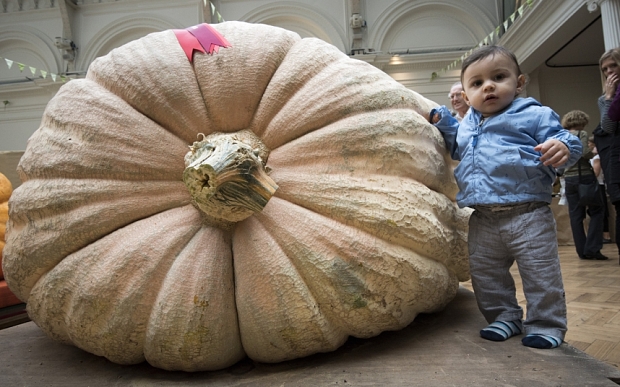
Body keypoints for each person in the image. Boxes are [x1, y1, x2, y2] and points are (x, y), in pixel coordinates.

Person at [427, 45, 582, 349]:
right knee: (486, 274)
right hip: (483, 217)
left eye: (499, 77)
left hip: (528, 213)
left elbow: (564, 139)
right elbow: (459, 149)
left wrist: (565, 146)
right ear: (468, 94)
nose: (488, 86)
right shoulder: (469, 122)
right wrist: (444, 122)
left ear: (519, 82)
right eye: (477, 83)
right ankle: (505, 316)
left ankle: (545, 324)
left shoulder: (533, 114)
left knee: (540, 274)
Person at [559, 111, 607, 260]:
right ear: (582, 121)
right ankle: (592, 248)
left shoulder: (562, 136)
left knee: (575, 216)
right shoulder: (582, 134)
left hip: (569, 179)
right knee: (597, 211)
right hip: (585, 177)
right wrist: (594, 152)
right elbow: (585, 153)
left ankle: (582, 251)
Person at [594, 47, 620, 261]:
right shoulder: (605, 99)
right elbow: (608, 126)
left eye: (614, 65)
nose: (610, 71)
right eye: (605, 69)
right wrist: (609, 96)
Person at [589, 135, 611, 242]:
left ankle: (606, 235)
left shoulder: (597, 158)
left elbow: (596, 173)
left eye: (589, 143)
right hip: (599, 185)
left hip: (598, 185)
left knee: (602, 210)